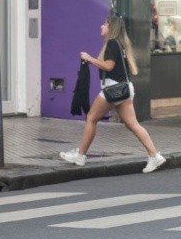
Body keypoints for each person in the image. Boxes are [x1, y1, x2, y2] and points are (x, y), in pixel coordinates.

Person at [60, 13, 166, 174]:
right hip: (124, 89)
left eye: (104, 24)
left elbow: (108, 66)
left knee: (91, 118)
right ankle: (154, 155)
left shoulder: (111, 43)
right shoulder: (120, 44)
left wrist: (89, 58)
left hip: (113, 90)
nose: (101, 26)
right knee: (132, 124)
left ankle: (80, 155)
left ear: (111, 27)